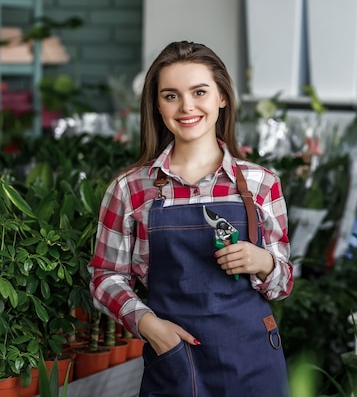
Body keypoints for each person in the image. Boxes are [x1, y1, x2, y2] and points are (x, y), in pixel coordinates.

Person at [89, 41, 293, 397]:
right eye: (171, 95)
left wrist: (263, 262)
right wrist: (149, 325)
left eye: (199, 91)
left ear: (222, 97)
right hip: (174, 359)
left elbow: (282, 283)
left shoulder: (261, 183)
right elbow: (105, 276)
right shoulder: (131, 188)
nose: (186, 107)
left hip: (253, 359)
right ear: (157, 104)